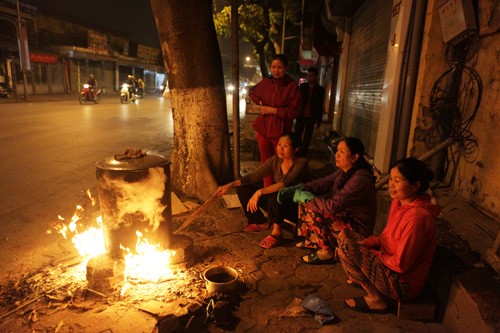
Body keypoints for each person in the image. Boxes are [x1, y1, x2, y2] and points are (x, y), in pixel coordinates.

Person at [338, 158, 439, 314]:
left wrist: (373, 254)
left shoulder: (418, 218)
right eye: (391, 178)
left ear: (416, 185)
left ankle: (376, 299)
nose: (390, 184)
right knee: (345, 235)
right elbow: (386, 237)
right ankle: (367, 282)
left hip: (402, 284)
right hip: (387, 262)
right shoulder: (398, 203)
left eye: (397, 180)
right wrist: (370, 243)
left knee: (348, 248)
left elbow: (401, 265)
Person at [281, 137, 376, 264]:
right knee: (306, 199)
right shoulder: (344, 171)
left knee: (314, 207)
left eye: (342, 151)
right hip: (344, 217)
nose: (337, 154)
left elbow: (332, 206)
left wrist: (309, 199)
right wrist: (302, 188)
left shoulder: (360, 179)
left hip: (357, 228)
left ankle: (326, 251)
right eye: (337, 150)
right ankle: (312, 240)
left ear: (354, 157)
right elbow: (324, 183)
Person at [214, 132, 308, 249]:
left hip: (294, 206)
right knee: (244, 189)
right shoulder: (275, 160)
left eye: (285, 146)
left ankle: (277, 233)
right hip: (277, 204)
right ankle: (260, 222)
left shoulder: (301, 163)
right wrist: (230, 185)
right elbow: (253, 176)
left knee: (276, 194)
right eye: (279, 144)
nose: (280, 148)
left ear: (295, 149)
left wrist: (259, 192)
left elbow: (284, 184)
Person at [248, 54, 301, 187]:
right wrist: (260, 102)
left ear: (286, 68)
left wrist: (272, 110)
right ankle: (266, 190)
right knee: (265, 163)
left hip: (280, 131)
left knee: (280, 163)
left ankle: (279, 191)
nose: (276, 70)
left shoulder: (292, 86)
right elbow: (252, 92)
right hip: (264, 129)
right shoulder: (266, 82)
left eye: (280, 67)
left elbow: (294, 111)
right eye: (273, 67)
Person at [296, 67, 325, 156]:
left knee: (307, 137)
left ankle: (303, 154)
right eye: (308, 75)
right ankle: (296, 152)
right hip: (301, 115)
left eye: (312, 76)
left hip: (311, 116)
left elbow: (320, 105)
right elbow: (297, 101)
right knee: (297, 135)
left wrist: (319, 119)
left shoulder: (320, 89)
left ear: (316, 76)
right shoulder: (302, 86)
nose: (310, 78)